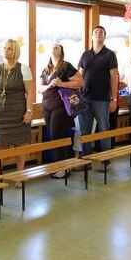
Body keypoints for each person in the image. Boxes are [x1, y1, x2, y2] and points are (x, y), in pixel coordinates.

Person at [0, 38, 34, 186]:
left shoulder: (23, 68)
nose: (6, 51)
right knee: (0, 145)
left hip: (18, 113)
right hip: (1, 115)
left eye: (9, 48)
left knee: (20, 145)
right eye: (5, 48)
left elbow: (30, 92)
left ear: (16, 51)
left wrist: (29, 111)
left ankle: (19, 177)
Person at [37, 44, 83, 178]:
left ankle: (63, 168)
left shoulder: (66, 66)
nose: (54, 48)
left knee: (58, 134)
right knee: (53, 135)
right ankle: (61, 165)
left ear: (61, 51)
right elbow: (39, 88)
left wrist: (61, 84)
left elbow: (80, 82)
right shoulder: (46, 69)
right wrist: (49, 86)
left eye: (57, 47)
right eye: (53, 46)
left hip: (60, 106)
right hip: (47, 105)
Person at [77, 26, 119, 156]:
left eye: (101, 32)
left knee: (104, 130)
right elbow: (79, 76)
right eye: (96, 32)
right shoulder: (85, 55)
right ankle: (86, 159)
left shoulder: (110, 55)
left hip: (102, 99)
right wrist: (77, 96)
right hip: (84, 99)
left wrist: (114, 99)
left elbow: (114, 77)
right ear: (91, 36)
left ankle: (105, 159)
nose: (98, 33)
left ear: (105, 37)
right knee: (85, 131)